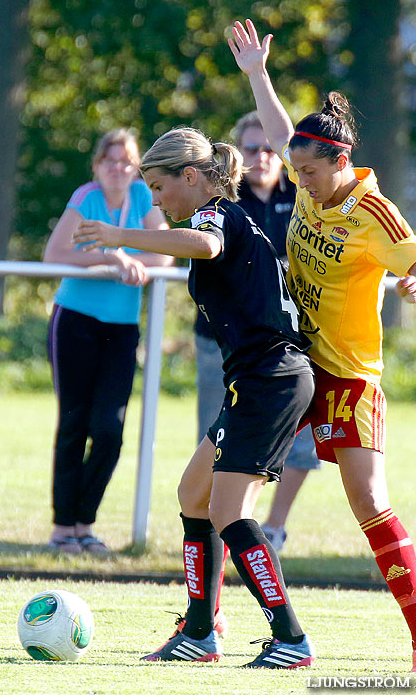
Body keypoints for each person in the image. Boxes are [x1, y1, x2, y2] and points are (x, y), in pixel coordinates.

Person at [228, 19, 416, 673]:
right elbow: (275, 132)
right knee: (212, 487)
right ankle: (204, 624)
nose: (301, 181)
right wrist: (255, 75)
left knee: (368, 503)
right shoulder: (306, 172)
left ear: (341, 162)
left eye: (310, 172)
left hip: (347, 378)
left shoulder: (372, 211)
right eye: (296, 170)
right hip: (286, 366)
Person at [72, 126, 317, 668]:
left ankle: (291, 638)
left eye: (159, 190)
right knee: (193, 494)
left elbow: (205, 244)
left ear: (190, 177)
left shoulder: (216, 215)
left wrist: (120, 235)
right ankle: (201, 632)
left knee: (229, 512)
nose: (156, 203)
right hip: (255, 378)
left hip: (270, 378)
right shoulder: (222, 213)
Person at [194, 110, 321, 552]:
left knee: (301, 447)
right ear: (236, 154)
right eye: (253, 149)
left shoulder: (304, 194)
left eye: (271, 149)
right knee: (213, 448)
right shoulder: (223, 200)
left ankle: (271, 528)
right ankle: (224, 533)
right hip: (222, 343)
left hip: (285, 349)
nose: (263, 157)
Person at [43, 129, 172, 554]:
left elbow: (166, 252)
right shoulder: (86, 198)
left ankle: (85, 522)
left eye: (126, 161)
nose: (118, 168)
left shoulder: (141, 197)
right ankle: (64, 529)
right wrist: (110, 257)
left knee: (110, 430)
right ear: (97, 166)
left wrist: (129, 255)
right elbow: (55, 256)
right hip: (75, 322)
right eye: (110, 161)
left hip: (121, 330)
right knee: (74, 423)